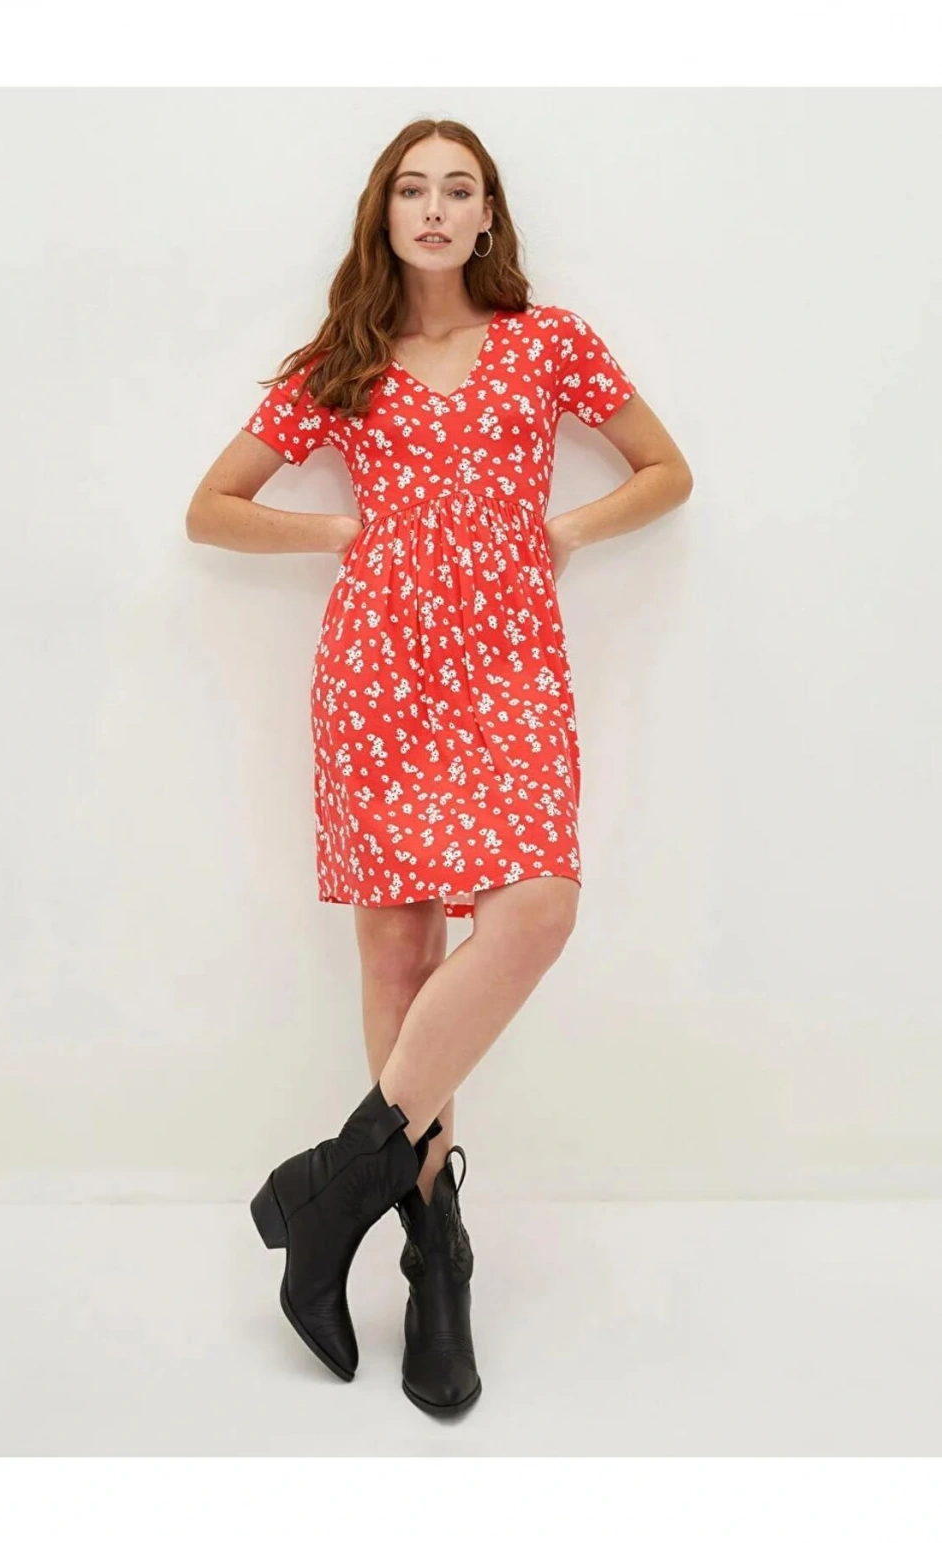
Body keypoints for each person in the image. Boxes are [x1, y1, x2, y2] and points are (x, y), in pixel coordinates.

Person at [186, 118, 693, 1418]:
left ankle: (330, 1188)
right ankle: (432, 1251)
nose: (433, 207)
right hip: (379, 671)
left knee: (538, 907)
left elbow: (665, 471)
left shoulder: (549, 342)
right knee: (401, 955)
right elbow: (212, 507)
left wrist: (563, 529)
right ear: (385, 213)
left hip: (510, 663)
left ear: (487, 218)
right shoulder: (344, 360)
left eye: (458, 189)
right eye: (412, 188)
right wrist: (342, 531)